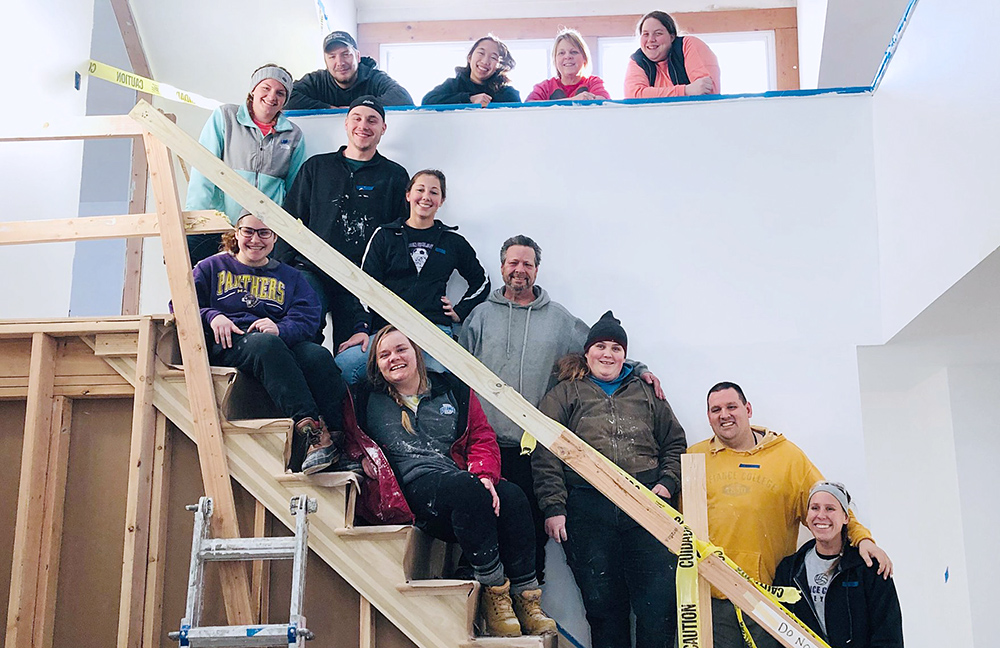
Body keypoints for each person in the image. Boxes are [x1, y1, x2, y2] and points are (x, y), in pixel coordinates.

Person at [459, 235, 663, 584]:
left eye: (527, 264)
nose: (520, 270)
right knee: (478, 530)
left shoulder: (559, 319)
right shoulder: (479, 317)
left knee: (530, 536)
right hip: (484, 445)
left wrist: (639, 368)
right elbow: (460, 368)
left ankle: (527, 604)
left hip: (531, 448)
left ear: (537, 270)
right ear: (503, 266)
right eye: (513, 262)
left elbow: (600, 351)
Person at [354, 325, 557, 638]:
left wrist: (485, 475)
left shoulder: (452, 390)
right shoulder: (366, 398)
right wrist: (360, 457)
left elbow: (481, 435)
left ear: (417, 353)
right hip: (410, 490)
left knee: (514, 495)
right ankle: (494, 593)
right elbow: (346, 435)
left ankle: (526, 598)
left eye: (400, 349)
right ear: (376, 364)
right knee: (466, 490)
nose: (394, 358)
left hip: (459, 481)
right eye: (384, 355)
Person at [688, 382, 894, 648]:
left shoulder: (787, 458)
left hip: (767, 599)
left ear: (748, 409)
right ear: (708, 417)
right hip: (712, 599)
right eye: (715, 409)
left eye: (731, 406)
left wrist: (863, 539)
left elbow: (828, 504)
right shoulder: (694, 457)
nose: (724, 414)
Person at [532, 311, 687, 648]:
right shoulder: (564, 394)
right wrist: (554, 506)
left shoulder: (648, 393)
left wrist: (667, 483)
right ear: (587, 353)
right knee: (604, 609)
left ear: (625, 355)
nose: (608, 354)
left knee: (658, 606)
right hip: (588, 508)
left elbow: (674, 442)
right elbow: (546, 453)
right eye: (600, 346)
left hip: (647, 508)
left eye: (616, 348)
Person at [193, 211, 352, 475]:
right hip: (231, 342)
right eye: (248, 232)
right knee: (266, 346)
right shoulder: (210, 267)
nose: (255, 239)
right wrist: (212, 316)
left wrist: (280, 328)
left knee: (317, 356)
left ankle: (336, 443)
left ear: (275, 237)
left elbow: (308, 317)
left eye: (264, 233)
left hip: (276, 341)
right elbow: (181, 304)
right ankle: (310, 431)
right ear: (236, 233)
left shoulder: (291, 277)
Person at [274, 95, 409, 348]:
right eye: (356, 118)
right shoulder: (316, 167)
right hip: (311, 270)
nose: (363, 126)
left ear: (383, 129)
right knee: (302, 339)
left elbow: (399, 233)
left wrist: (387, 281)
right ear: (346, 124)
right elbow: (289, 218)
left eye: (372, 120)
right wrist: (284, 268)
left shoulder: (395, 176)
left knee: (353, 351)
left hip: (361, 279)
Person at [335, 169, 489, 384]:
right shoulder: (385, 235)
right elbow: (364, 287)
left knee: (438, 384)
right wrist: (361, 329)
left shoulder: (453, 242)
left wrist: (460, 311)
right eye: (420, 190)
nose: (426, 197)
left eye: (434, 192)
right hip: (389, 331)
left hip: (434, 330)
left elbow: (481, 282)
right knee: (344, 366)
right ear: (408, 195)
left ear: (441, 201)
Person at [185, 65, 306, 266]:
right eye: (266, 88)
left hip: (262, 234)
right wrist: (196, 220)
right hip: (221, 225)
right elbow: (203, 170)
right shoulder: (225, 117)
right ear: (253, 90)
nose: (272, 96)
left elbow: (295, 189)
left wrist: (286, 231)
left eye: (280, 92)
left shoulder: (294, 135)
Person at [774, 482, 903, 648]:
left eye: (830, 509)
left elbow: (888, 634)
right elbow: (778, 631)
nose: (821, 515)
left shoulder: (869, 567)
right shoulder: (790, 570)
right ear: (807, 516)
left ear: (846, 518)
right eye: (814, 508)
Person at [285, 31, 412, 109]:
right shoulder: (316, 80)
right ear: (326, 61)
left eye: (346, 54)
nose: (340, 62)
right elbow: (286, 98)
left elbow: (403, 98)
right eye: (332, 57)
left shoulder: (374, 78)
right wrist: (327, 108)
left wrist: (359, 107)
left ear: (357, 56)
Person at [624, 11, 721, 99]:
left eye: (658, 33)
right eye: (645, 34)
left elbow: (705, 89)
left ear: (672, 37)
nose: (651, 39)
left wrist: (650, 93)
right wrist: (686, 91)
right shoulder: (637, 60)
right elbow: (633, 95)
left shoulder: (687, 45)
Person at [422, 36, 521, 106]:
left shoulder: (507, 93)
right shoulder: (453, 85)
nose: (485, 61)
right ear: (470, 57)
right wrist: (469, 99)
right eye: (481, 53)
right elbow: (427, 101)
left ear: (499, 67)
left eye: (493, 58)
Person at [525, 29, 610, 101]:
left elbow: (604, 102)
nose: (568, 56)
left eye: (574, 52)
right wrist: (574, 100)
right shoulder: (545, 87)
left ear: (584, 57)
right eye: (561, 53)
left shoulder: (593, 83)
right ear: (555, 60)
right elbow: (529, 105)